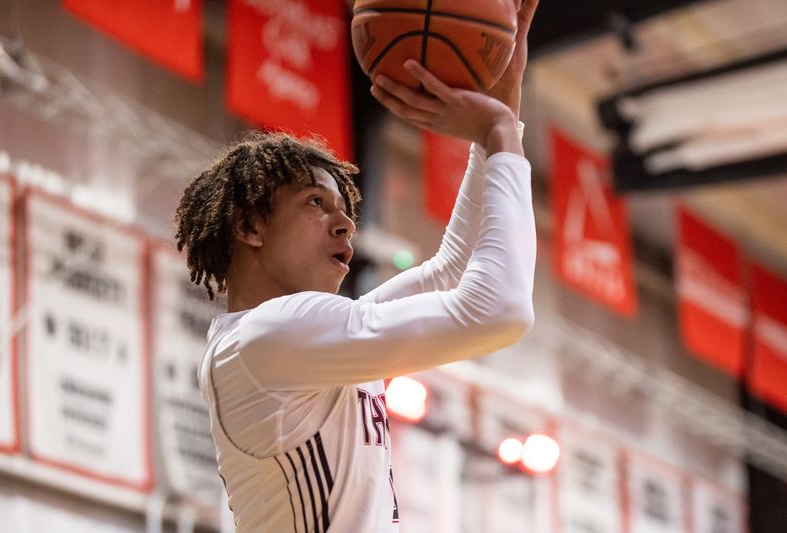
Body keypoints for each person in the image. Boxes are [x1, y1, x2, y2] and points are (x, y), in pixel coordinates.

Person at [174, 1, 539, 530]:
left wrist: (502, 106)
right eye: (315, 205)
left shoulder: (293, 339)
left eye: (346, 211)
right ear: (251, 228)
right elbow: (501, 310)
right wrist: (499, 131)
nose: (345, 226)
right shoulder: (266, 338)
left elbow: (454, 271)